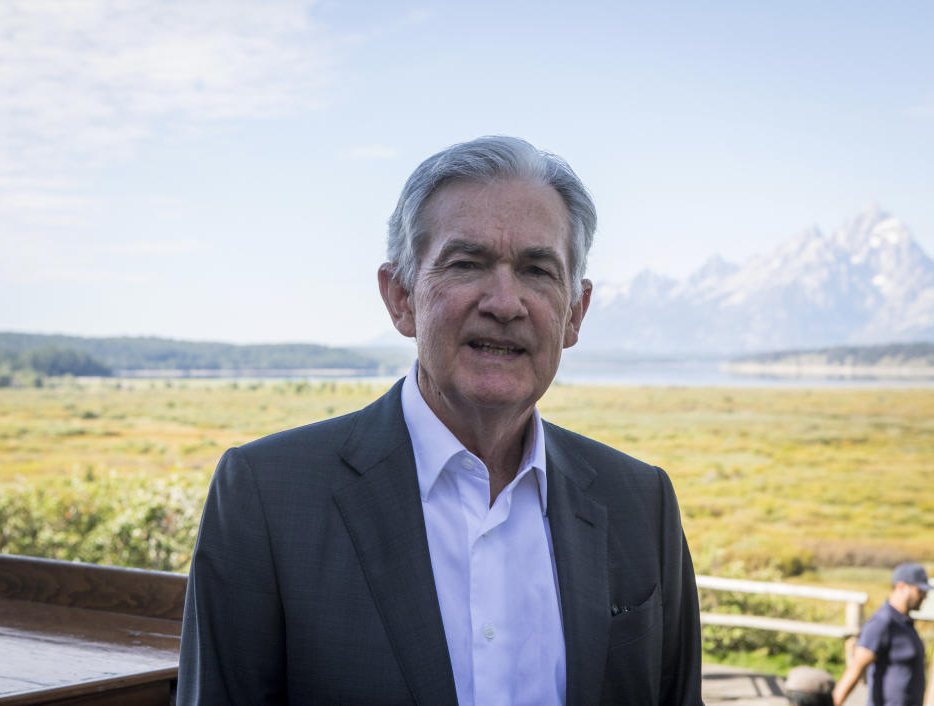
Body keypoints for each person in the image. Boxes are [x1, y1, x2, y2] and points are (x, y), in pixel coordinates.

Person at [177, 136, 703, 705]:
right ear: (401, 297)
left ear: (575, 313)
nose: (505, 302)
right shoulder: (266, 496)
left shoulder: (640, 501)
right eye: (467, 263)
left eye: (537, 270)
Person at [833, 562, 931, 706]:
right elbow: (855, 669)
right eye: (920, 591)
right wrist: (834, 701)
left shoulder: (905, 623)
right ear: (901, 587)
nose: (924, 597)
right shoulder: (882, 623)